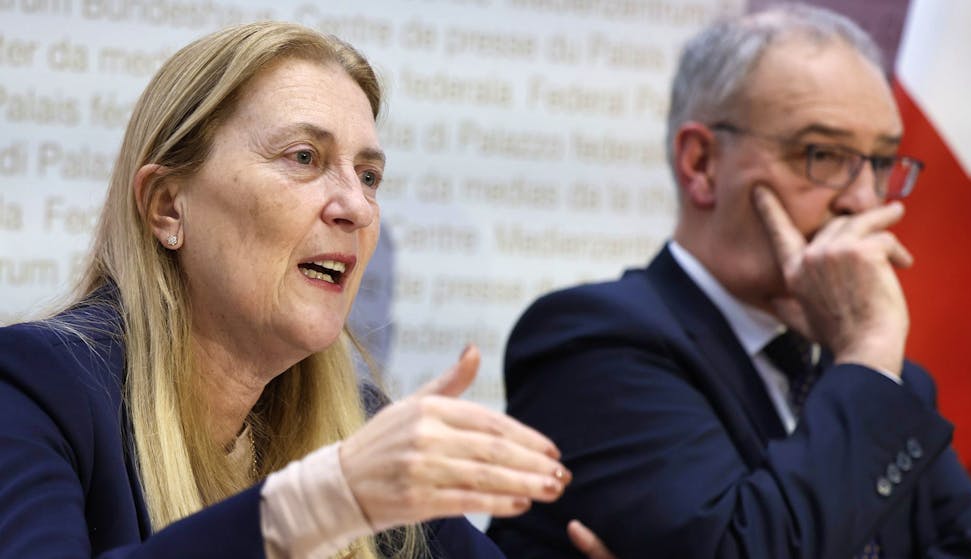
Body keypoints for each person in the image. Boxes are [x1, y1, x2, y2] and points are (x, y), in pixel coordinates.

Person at [0, 21, 620, 559]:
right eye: (303, 157)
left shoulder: (357, 421)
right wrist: (325, 502)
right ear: (167, 207)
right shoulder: (33, 390)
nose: (356, 206)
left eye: (369, 174)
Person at [487, 5, 971, 558]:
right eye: (823, 154)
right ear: (701, 163)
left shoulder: (879, 380)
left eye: (880, 162)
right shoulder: (595, 343)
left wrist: (867, 360)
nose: (863, 200)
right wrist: (870, 348)